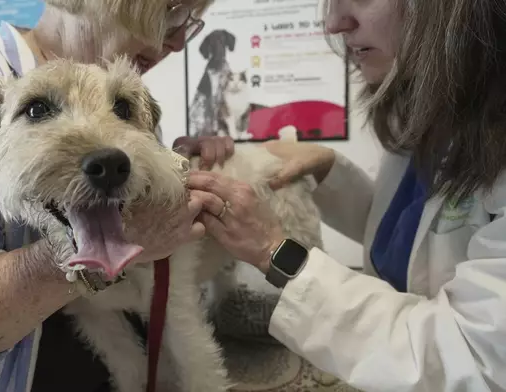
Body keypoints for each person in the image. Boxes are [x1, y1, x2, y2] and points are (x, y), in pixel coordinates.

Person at [0, 0, 234, 390]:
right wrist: (73, 260)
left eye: (189, 21)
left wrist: (172, 161)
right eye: (173, 11)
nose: (177, 42)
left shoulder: (127, 104)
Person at [187, 0, 506, 391]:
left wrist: (276, 252)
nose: (336, 23)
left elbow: (473, 361)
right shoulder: (435, 115)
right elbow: (409, 240)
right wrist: (327, 167)